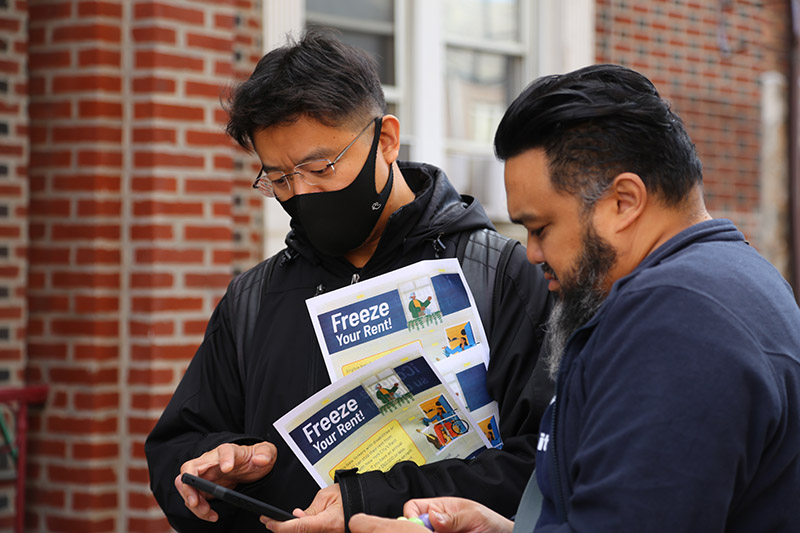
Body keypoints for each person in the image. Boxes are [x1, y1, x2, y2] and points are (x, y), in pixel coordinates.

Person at [338, 64, 800, 533]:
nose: (532, 253)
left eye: (541, 229)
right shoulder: (731, 280)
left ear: (623, 201)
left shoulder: (676, 320)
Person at [144, 29, 553, 533]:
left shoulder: (500, 276)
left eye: (319, 167)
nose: (302, 192)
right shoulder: (253, 299)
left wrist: (370, 499)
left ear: (385, 141)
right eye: (278, 178)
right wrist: (216, 467)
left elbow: (543, 467)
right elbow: (175, 450)